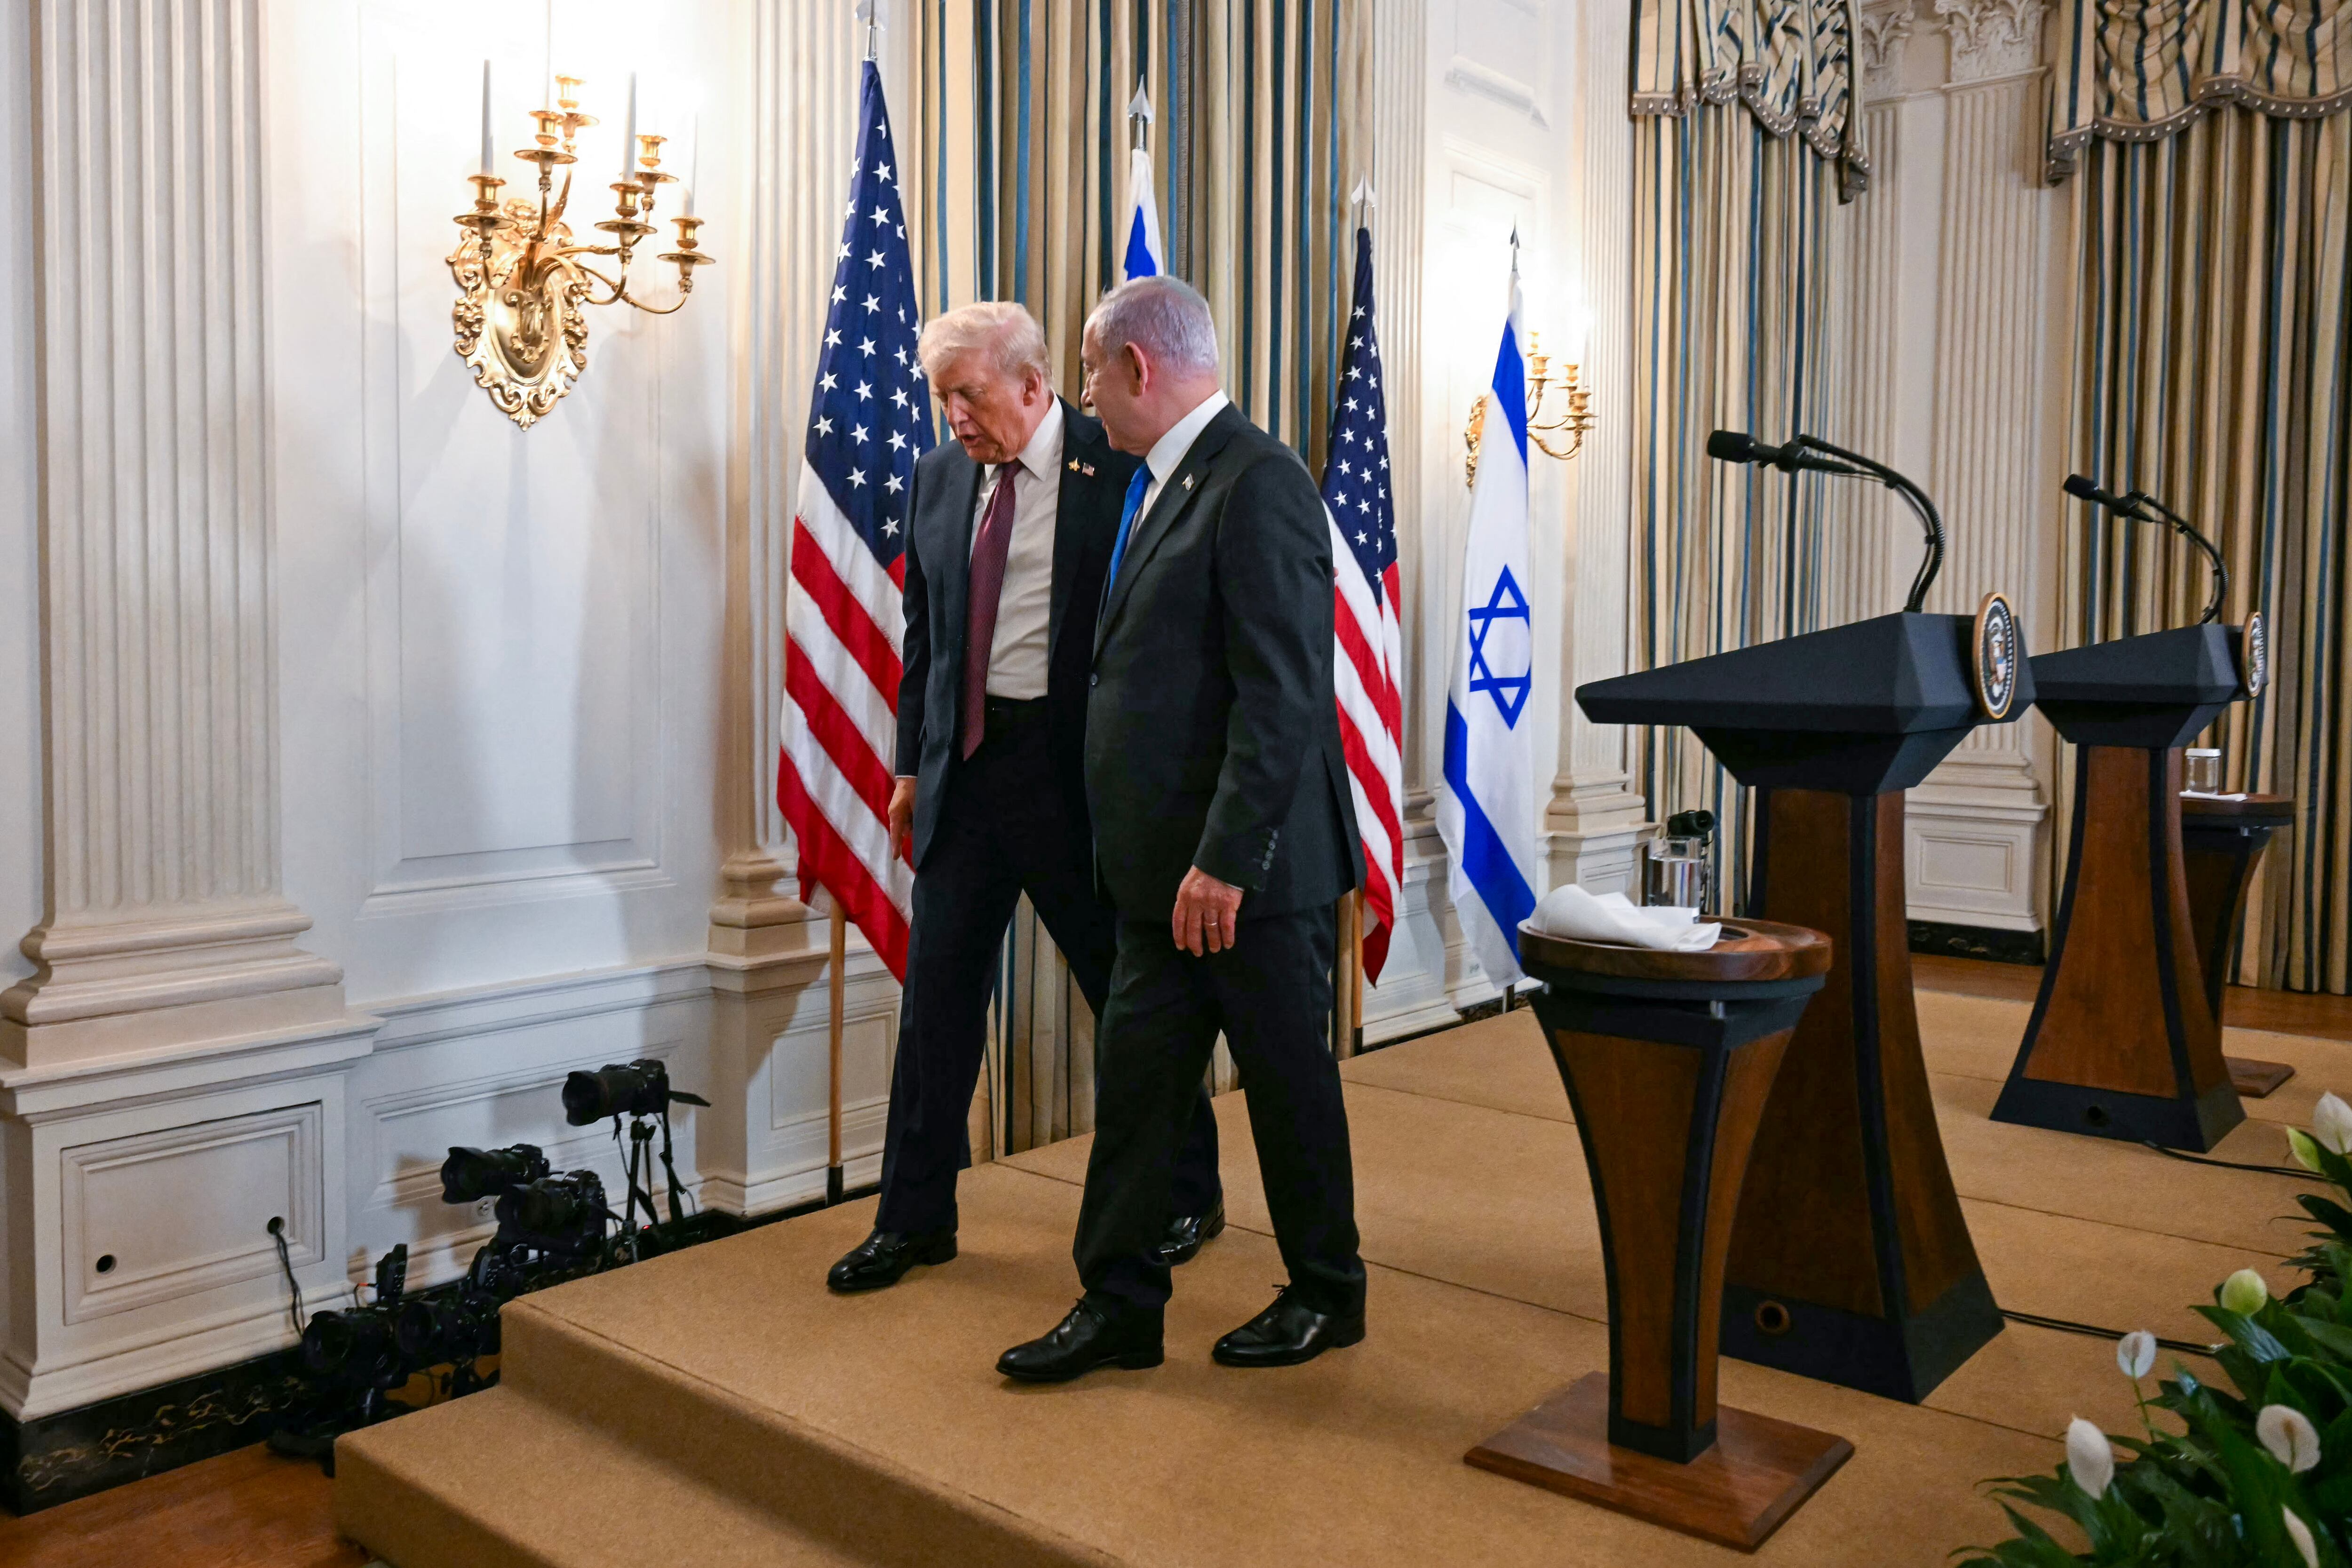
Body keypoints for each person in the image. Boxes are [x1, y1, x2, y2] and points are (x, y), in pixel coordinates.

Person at [996, 277, 1367, 1382]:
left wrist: (1225, 858)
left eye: (1089, 370)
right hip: (1160, 876)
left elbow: (1283, 695)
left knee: (1288, 1088)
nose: (1084, 395)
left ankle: (1326, 1291)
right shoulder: (1160, 480)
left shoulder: (1258, 481)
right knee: (1136, 1093)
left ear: (1137, 367)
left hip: (1249, 875)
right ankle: (1118, 1302)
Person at [826, 302, 1225, 1293]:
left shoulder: (1119, 467)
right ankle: (914, 1217)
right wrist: (912, 767)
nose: (953, 416)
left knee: (1127, 997)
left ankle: (1189, 1189)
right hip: (965, 772)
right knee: (935, 1007)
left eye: (968, 394)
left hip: (1075, 779)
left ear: (1034, 384)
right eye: (942, 397)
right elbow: (927, 638)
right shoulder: (938, 477)